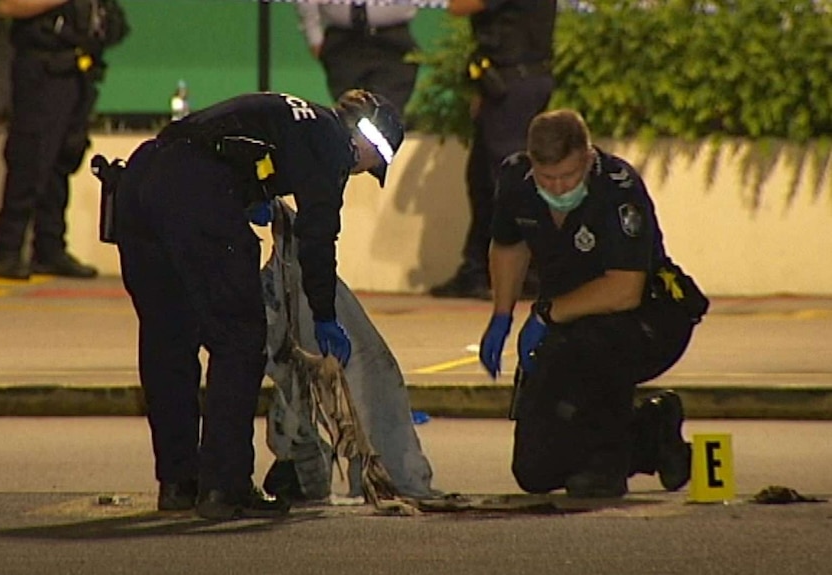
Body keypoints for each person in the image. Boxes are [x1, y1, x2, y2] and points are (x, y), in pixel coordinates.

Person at [105, 89, 404, 520]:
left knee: (168, 341)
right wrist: (324, 315)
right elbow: (318, 239)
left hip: (141, 180)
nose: (356, 173)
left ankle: (179, 483)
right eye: (366, 167)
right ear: (368, 142)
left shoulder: (298, 117)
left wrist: (247, 193)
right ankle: (224, 489)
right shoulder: (332, 144)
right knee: (240, 341)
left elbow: (228, 145)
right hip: (193, 189)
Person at [478, 109, 709, 498]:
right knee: (534, 472)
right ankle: (651, 431)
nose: (558, 185)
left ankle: (606, 464)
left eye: (568, 175)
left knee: (591, 343)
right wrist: (501, 316)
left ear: (587, 157)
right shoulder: (517, 179)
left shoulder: (617, 188)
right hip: (566, 326)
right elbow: (509, 243)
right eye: (546, 177)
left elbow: (624, 289)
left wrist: (544, 315)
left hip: (644, 322)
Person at [0, 0, 128, 280]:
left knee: (64, 157)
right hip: (42, 68)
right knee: (30, 156)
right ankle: (7, 250)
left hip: (78, 68)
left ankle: (49, 248)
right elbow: (7, 5)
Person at [430, 0, 556, 299]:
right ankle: (477, 269)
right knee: (482, 180)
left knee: (507, 183)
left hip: (515, 84)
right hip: (504, 82)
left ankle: (524, 273)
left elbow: (460, 5)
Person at [296, 1, 419, 116]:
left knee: (387, 112)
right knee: (349, 113)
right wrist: (313, 34)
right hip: (342, 40)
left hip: (393, 40)